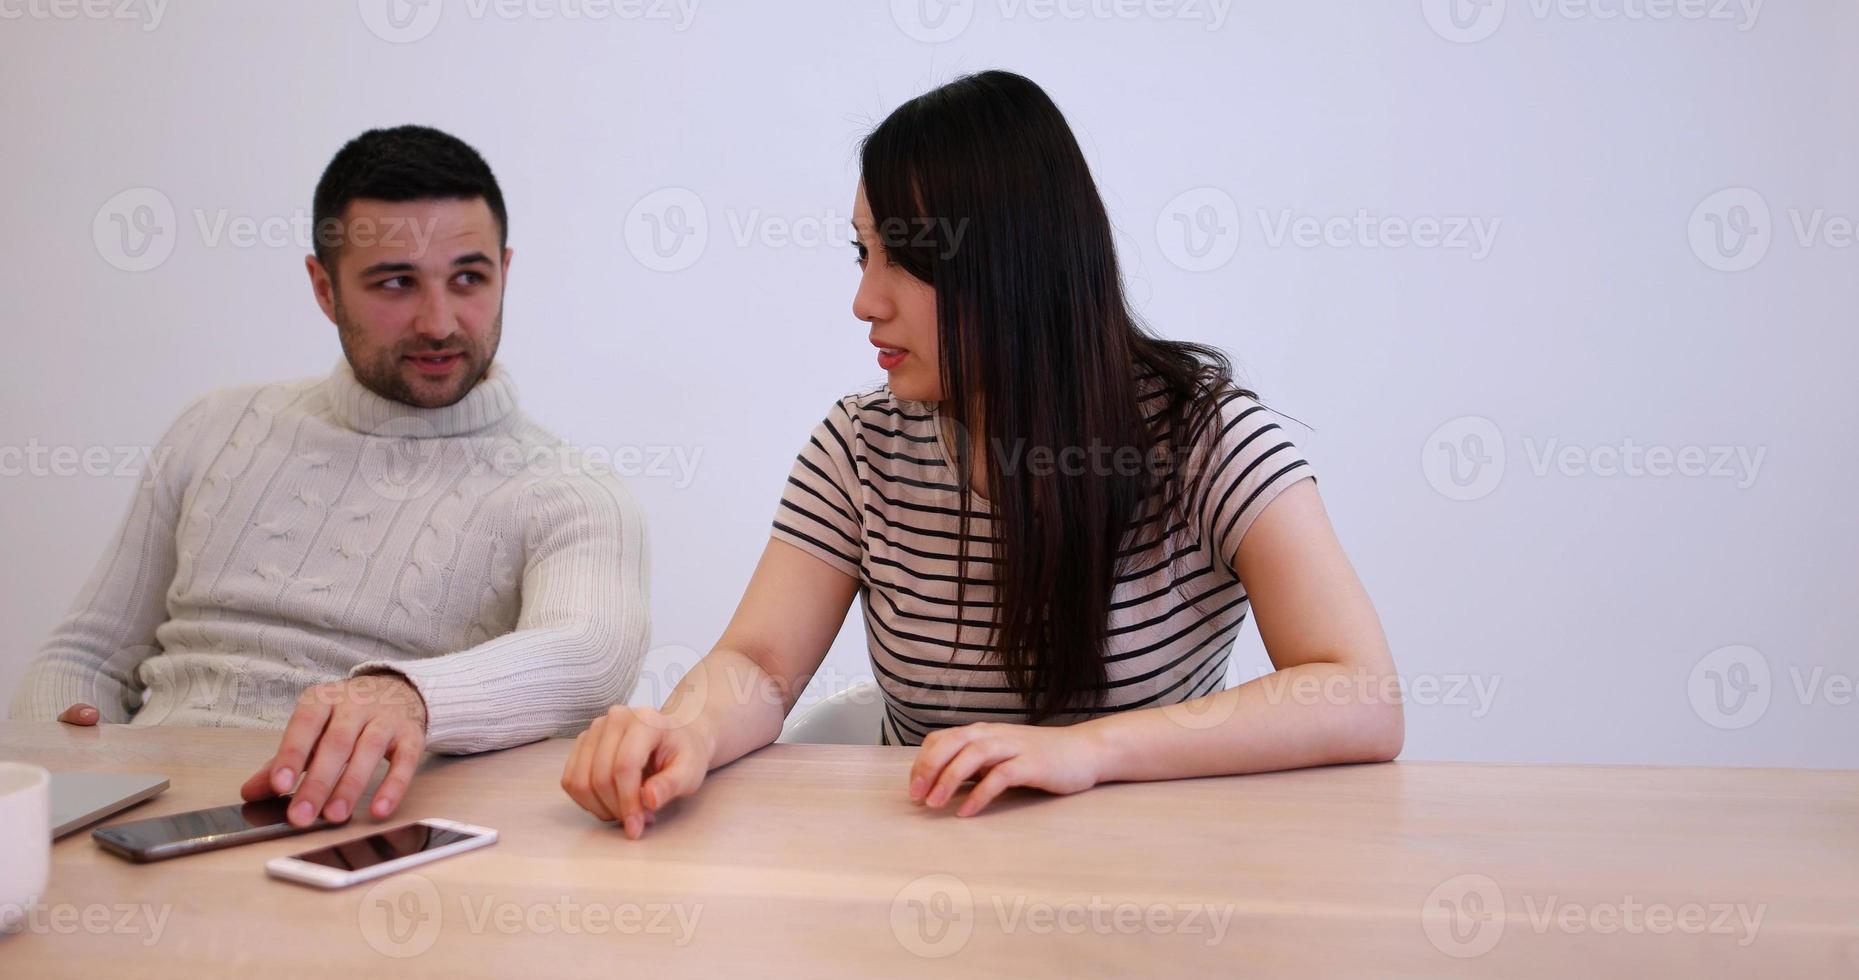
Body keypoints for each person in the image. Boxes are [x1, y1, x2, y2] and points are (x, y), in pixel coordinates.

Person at [561, 71, 1401, 838]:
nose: (863, 301)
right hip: (930, 887)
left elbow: (1358, 692)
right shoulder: (859, 445)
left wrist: (1090, 752)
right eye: (863, 254)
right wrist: (684, 732)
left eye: (906, 259)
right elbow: (759, 664)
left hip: (1156, 888)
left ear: (1015, 267)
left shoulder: (1204, 436)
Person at [12, 125, 651, 829]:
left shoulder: (570, 493)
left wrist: (404, 697)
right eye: (396, 283)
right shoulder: (214, 426)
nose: (439, 322)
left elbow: (589, 659)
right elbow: (85, 656)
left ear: (505, 271)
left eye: (469, 279)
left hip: (351, 832)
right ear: (324, 288)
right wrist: (58, 772)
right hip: (140, 819)